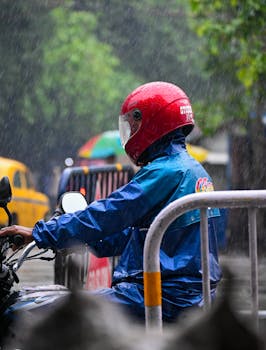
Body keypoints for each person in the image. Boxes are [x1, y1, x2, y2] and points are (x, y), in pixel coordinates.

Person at [0, 81, 222, 323]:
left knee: (28, 315)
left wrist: (40, 233)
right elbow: (141, 235)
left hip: (160, 296)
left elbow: (109, 213)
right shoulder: (191, 169)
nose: (131, 131)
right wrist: (83, 238)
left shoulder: (166, 172)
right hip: (182, 295)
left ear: (154, 122)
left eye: (134, 123)